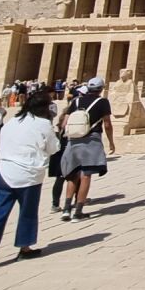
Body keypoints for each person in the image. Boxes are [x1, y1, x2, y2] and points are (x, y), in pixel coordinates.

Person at [0, 89, 61, 273]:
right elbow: (54, 148)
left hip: (4, 172)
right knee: (27, 212)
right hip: (28, 175)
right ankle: (24, 248)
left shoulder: (13, 121)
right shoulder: (44, 125)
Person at [57, 79, 115, 221]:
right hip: (91, 140)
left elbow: (65, 123)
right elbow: (107, 124)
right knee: (86, 175)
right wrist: (111, 142)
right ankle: (78, 211)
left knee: (72, 175)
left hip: (73, 140)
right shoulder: (102, 102)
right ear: (101, 89)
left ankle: (66, 209)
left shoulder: (76, 101)